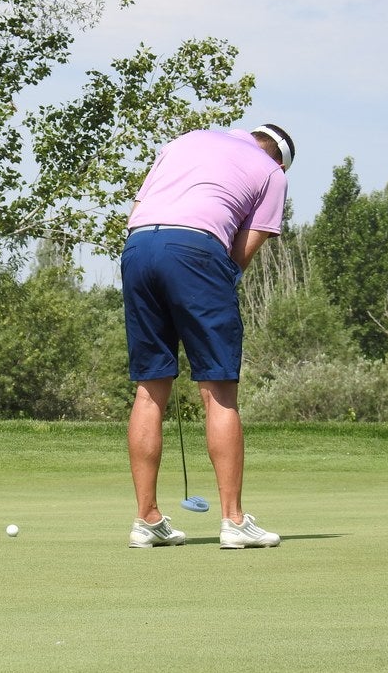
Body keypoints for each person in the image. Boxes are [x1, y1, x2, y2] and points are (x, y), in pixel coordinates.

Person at [121, 124, 294, 549]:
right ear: (280, 159)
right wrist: (208, 281)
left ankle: (146, 521)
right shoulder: (273, 173)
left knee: (150, 388)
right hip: (196, 251)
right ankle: (234, 522)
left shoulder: (184, 141)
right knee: (217, 389)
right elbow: (241, 255)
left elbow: (139, 205)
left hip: (138, 247)